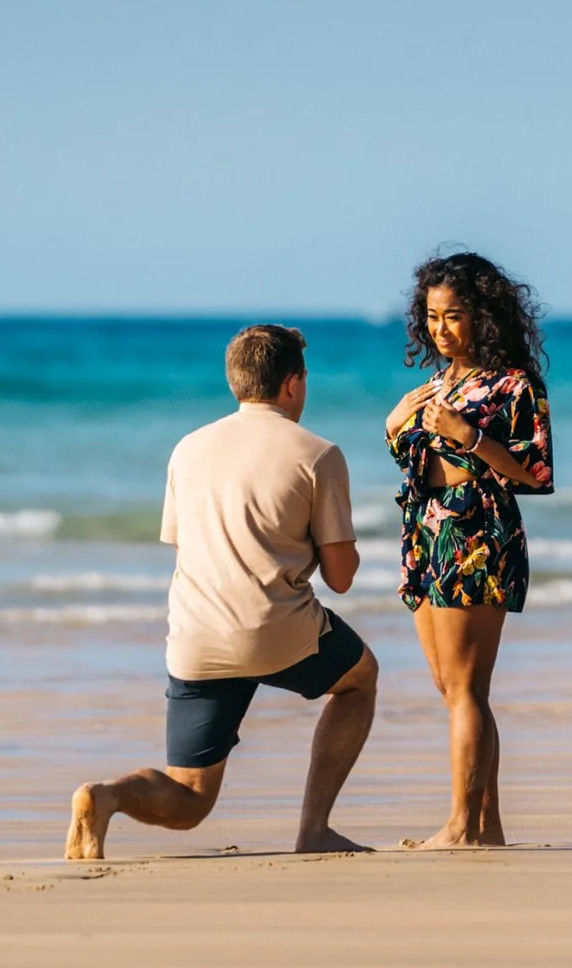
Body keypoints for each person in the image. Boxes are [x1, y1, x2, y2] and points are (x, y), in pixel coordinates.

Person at [65, 323, 377, 860]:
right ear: (293, 383)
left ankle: (106, 795)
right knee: (360, 679)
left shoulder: (188, 448)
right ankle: (314, 830)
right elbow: (341, 578)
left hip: (196, 636)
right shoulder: (318, 454)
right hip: (276, 630)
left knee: (189, 799)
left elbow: (183, 542)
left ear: (236, 382)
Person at [385, 251, 554, 849]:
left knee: (465, 688)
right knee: (451, 686)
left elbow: (535, 472)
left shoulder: (514, 384)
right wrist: (393, 425)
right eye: (432, 317)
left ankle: (461, 826)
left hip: (476, 533)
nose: (440, 329)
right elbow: (415, 457)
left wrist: (471, 436)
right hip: (426, 532)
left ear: (483, 315)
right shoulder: (438, 383)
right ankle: (487, 826)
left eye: (453, 316)